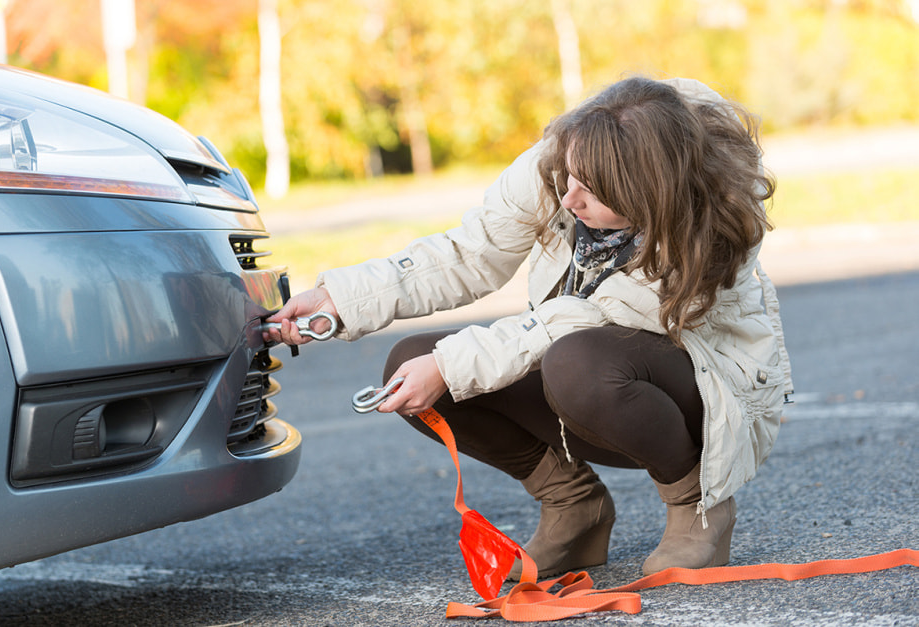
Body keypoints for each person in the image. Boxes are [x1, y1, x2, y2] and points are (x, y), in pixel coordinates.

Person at [264, 76, 794, 579]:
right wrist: (340, 300)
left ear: (649, 191)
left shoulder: (715, 218)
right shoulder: (567, 159)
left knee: (577, 363)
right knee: (409, 361)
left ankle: (696, 506)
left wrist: (449, 365)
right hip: (587, 362)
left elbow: (592, 315)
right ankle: (573, 507)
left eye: (593, 191)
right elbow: (470, 253)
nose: (569, 200)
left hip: (699, 393)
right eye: (571, 178)